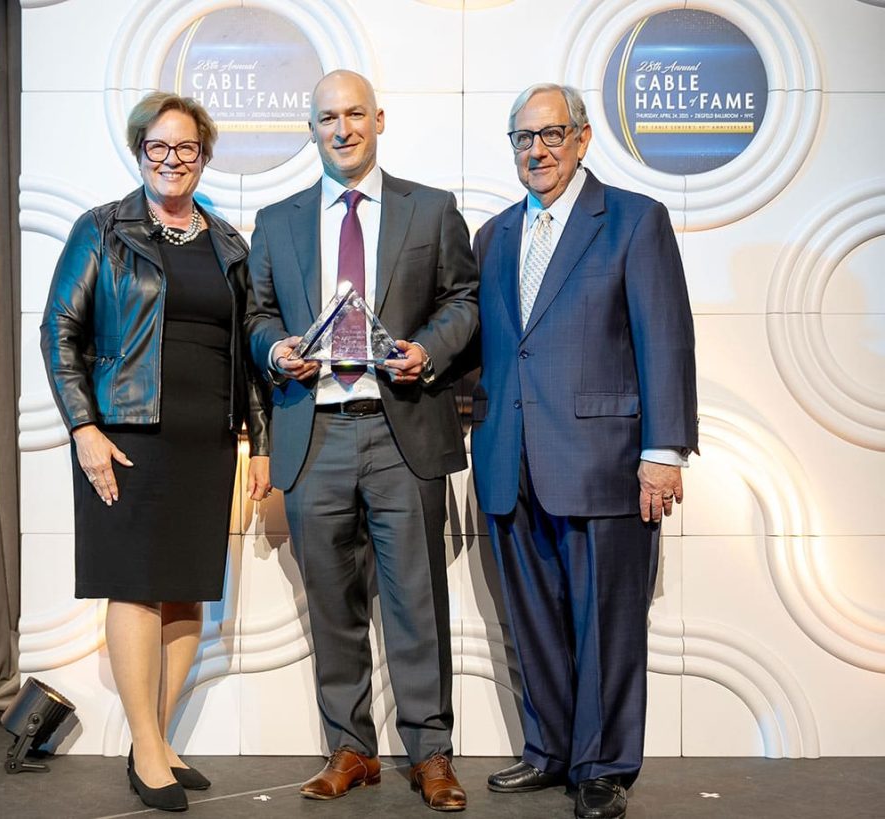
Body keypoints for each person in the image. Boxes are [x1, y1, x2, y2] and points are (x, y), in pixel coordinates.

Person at [245, 70, 478, 812]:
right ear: (309, 129)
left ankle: (430, 752)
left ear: (379, 119)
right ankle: (350, 747)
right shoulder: (276, 221)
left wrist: (429, 349)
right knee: (331, 603)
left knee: (417, 600)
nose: (341, 129)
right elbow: (254, 315)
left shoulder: (431, 209)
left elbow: (463, 300)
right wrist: (275, 349)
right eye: (325, 118)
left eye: (353, 114)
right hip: (314, 433)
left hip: (398, 426)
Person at [470, 83, 698, 819]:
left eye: (550, 134)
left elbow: (663, 336)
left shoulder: (634, 219)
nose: (536, 150)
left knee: (608, 619)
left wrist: (663, 450)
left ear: (582, 137)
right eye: (522, 138)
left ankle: (603, 765)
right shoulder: (495, 234)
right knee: (531, 618)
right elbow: (499, 349)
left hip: (605, 459)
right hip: (511, 458)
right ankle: (551, 750)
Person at [40, 92, 270, 813]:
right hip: (128, 437)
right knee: (136, 587)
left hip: (208, 442)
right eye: (158, 148)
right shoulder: (102, 229)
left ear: (204, 156)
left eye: (187, 149)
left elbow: (249, 354)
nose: (172, 161)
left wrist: (258, 441)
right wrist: (84, 426)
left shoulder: (231, 243)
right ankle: (145, 747)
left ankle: (161, 739)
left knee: (185, 593)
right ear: (139, 151)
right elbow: (59, 331)